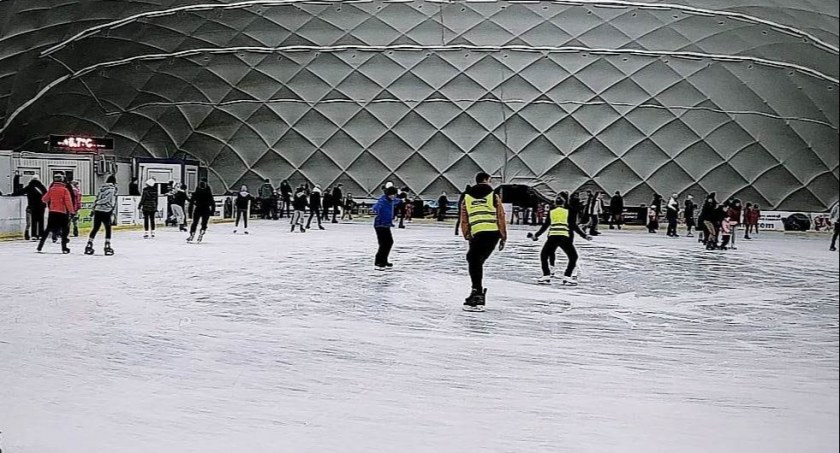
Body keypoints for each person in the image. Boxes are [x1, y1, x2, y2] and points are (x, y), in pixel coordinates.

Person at [460, 172, 507, 311]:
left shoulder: (466, 197)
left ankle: (477, 293)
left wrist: (467, 234)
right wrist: (503, 236)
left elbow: (464, 218)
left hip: (477, 233)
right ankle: (477, 293)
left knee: (473, 259)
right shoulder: (493, 195)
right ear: (487, 180)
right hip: (492, 233)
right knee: (475, 260)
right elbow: (500, 215)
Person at [531, 192, 591, 285]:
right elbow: (573, 225)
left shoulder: (552, 212)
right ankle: (567, 276)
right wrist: (584, 236)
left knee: (544, 255)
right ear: (564, 203)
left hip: (552, 236)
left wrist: (536, 235)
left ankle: (546, 275)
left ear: (555, 203)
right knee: (573, 257)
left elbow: (545, 225)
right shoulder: (568, 211)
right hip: (564, 236)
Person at [37, 173, 75, 253]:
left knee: (47, 229)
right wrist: (72, 211)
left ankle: (40, 246)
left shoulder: (51, 189)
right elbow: (68, 202)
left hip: (52, 212)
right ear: (62, 180)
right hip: (62, 212)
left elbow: (44, 199)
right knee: (65, 230)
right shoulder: (65, 190)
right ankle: (64, 248)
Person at [84, 175, 118, 255]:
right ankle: (107, 245)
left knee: (95, 228)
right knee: (108, 228)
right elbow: (107, 200)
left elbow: (97, 198)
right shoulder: (112, 189)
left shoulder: (101, 188)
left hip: (98, 210)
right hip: (106, 210)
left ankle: (89, 243)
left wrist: (94, 207)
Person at [372, 186, 402, 270]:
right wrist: (375, 210)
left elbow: (397, 201)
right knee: (384, 243)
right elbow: (376, 206)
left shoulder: (392, 200)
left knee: (389, 242)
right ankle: (379, 261)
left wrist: (402, 199)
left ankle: (384, 260)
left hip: (386, 224)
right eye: (391, 195)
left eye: (394, 195)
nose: (393, 196)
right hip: (380, 224)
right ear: (387, 194)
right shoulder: (382, 201)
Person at [16, 176, 47, 241]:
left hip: (32, 206)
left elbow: (21, 192)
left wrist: (13, 193)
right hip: (41, 206)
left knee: (34, 221)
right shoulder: (42, 187)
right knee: (41, 221)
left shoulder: (30, 186)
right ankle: (41, 234)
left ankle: (34, 235)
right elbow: (47, 195)